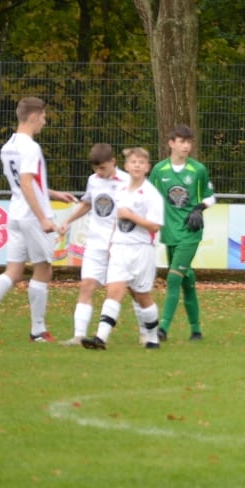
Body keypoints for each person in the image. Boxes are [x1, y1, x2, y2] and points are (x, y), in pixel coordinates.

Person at [0, 97, 77, 343]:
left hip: (15, 213)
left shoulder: (8, 146)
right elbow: (26, 183)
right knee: (43, 270)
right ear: (34, 116)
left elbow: (23, 183)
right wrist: (43, 218)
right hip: (32, 216)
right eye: (44, 116)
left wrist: (53, 193)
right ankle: (38, 331)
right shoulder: (31, 148)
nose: (45, 121)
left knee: (13, 271)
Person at [84, 147, 164, 350]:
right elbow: (116, 220)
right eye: (133, 162)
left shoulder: (152, 194)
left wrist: (131, 216)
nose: (137, 165)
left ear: (147, 168)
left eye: (141, 163)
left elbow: (155, 226)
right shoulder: (119, 190)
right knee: (114, 290)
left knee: (142, 296)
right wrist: (111, 242)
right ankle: (100, 338)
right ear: (126, 166)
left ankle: (152, 336)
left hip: (141, 249)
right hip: (120, 247)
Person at [149, 125, 216, 343]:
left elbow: (210, 196)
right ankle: (196, 330)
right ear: (171, 143)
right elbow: (149, 196)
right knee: (186, 280)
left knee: (173, 278)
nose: (186, 146)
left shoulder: (197, 169)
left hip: (190, 232)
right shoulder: (159, 170)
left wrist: (199, 208)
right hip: (170, 233)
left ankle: (162, 329)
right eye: (181, 141)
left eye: (189, 142)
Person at [58, 143, 129, 345]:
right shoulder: (93, 180)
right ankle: (79, 335)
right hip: (95, 243)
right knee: (87, 285)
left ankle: (147, 332)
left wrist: (116, 239)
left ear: (113, 161)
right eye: (96, 169)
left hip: (119, 244)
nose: (99, 172)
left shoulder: (127, 181)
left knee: (129, 289)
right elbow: (88, 204)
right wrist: (67, 221)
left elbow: (128, 213)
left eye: (103, 168)